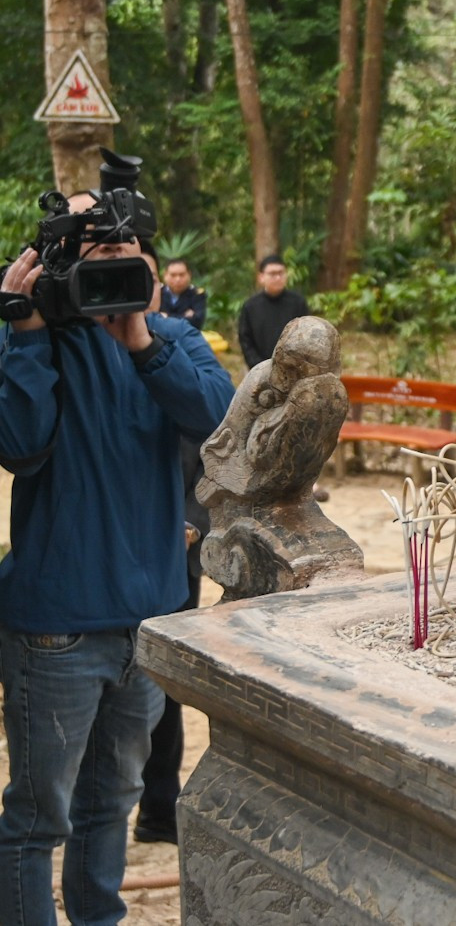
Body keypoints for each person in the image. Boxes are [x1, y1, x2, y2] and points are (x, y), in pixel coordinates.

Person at [0, 197, 236, 926]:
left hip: (152, 625)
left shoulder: (171, 339)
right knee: (38, 821)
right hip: (54, 629)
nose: (109, 255)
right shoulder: (33, 341)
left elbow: (223, 422)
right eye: (88, 243)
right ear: (56, 259)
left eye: (124, 242)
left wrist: (139, 340)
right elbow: (17, 440)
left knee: (113, 805)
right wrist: (25, 330)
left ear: (151, 264)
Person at [136, 247, 214, 846]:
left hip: (175, 554)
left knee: (164, 692)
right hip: (114, 556)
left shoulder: (183, 351)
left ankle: (160, 810)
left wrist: (191, 523)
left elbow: (213, 457)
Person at [237, 253, 309, 369]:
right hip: (259, 369)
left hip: (293, 369)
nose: (278, 278)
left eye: (281, 273)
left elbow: (306, 336)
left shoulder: (298, 303)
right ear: (261, 277)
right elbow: (245, 340)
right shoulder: (250, 306)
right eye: (272, 274)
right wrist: (258, 366)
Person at [158, 257, 206, 328]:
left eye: (182, 275)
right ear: (165, 275)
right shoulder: (157, 293)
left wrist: (167, 316)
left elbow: (197, 322)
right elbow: (152, 319)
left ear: (189, 275)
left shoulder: (197, 294)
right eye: (173, 275)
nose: (178, 279)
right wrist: (184, 316)